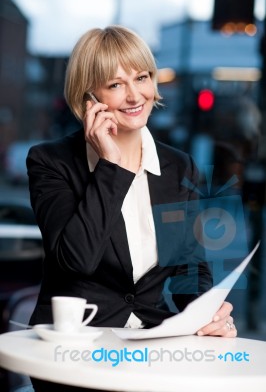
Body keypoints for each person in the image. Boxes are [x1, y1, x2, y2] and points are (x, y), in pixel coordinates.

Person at [27, 25, 236, 391]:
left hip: (152, 347)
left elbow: (190, 268)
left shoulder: (178, 167)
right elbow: (76, 260)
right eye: (115, 84)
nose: (135, 95)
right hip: (73, 350)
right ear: (89, 96)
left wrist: (208, 313)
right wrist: (111, 166)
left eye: (142, 77)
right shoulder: (51, 162)